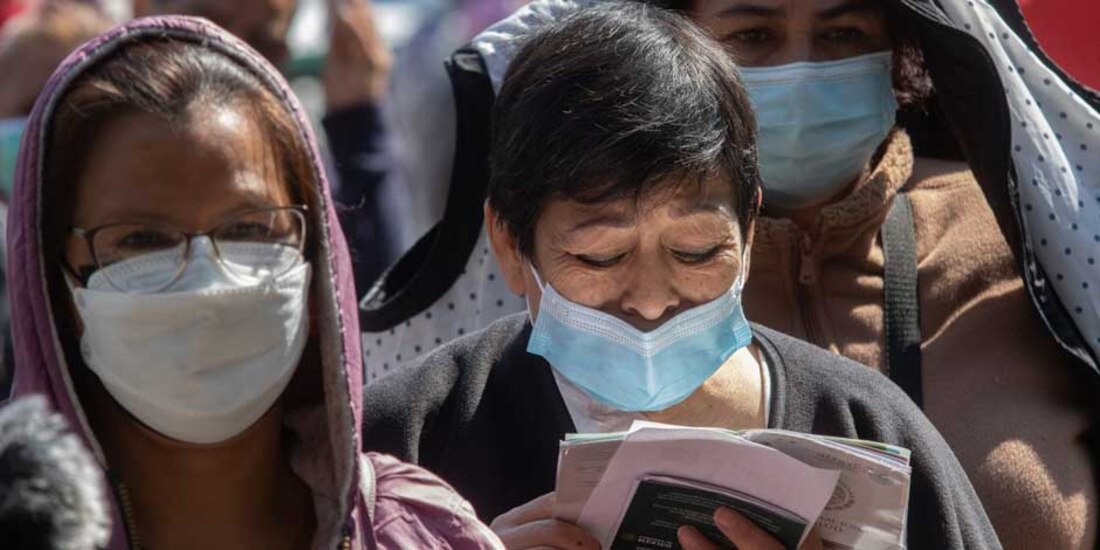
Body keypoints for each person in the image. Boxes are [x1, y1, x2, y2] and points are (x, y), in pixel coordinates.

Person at [361, 4, 1000, 549]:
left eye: (696, 253)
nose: (650, 300)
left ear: (748, 229)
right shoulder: (402, 444)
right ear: (509, 243)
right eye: (599, 258)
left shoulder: (866, 425)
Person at [5, 15, 501, 549]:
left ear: (317, 272)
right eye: (141, 241)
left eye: (248, 229)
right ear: (57, 283)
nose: (203, 283)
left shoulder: (418, 533)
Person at [671, 0, 1096, 547]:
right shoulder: (614, 276)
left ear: (898, 53)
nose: (802, 72)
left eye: (843, 32)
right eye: (753, 34)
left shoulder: (1035, 242)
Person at [135, 0, 400, 296]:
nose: (227, 61)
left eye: (260, 45)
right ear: (142, 11)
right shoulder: (90, 135)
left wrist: (357, 120)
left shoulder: (286, 165)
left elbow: (371, 299)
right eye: (202, 29)